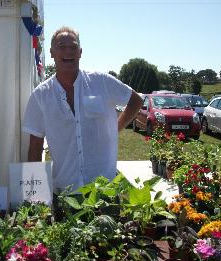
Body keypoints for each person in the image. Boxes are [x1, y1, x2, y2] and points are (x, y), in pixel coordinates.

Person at [22, 26, 143, 192]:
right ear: (51, 52)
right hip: (66, 191)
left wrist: (116, 128)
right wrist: (34, 196)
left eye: (73, 47)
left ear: (80, 52)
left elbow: (136, 100)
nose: (68, 52)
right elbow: (35, 147)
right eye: (62, 47)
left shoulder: (101, 82)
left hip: (104, 188)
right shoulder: (40, 96)